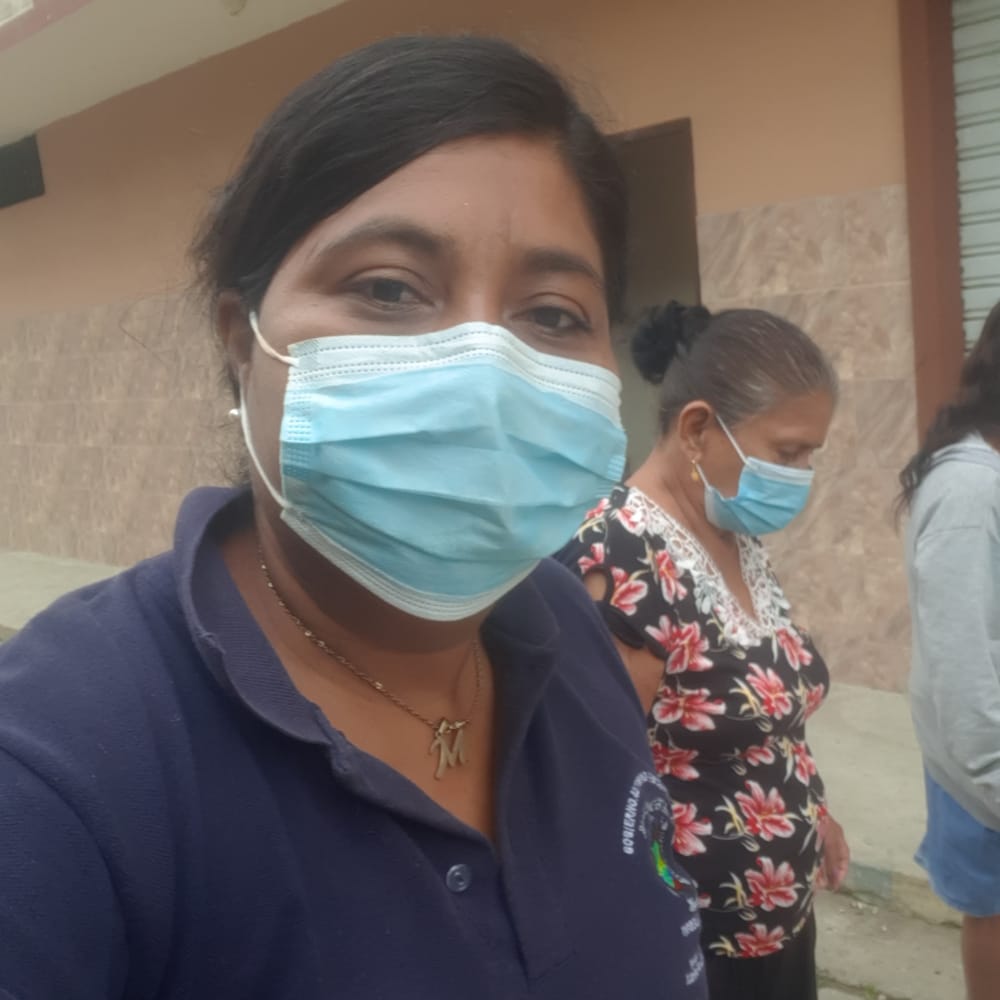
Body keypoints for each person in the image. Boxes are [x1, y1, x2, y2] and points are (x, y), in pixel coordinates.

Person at [0, 36, 708, 998]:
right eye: (387, 289)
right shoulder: (60, 766)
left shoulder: (567, 632)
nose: (483, 374)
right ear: (242, 342)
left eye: (551, 313)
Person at [556, 302, 850, 1000]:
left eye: (812, 453)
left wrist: (812, 810)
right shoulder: (623, 556)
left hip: (776, 927)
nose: (803, 473)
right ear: (696, 429)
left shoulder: (731, 535)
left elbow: (761, 714)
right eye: (788, 452)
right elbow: (596, 781)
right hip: (693, 942)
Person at [899, 300, 1000, 1000]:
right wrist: (994, 777)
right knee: (993, 909)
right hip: (985, 765)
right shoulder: (968, 492)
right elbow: (963, 667)